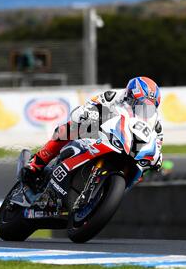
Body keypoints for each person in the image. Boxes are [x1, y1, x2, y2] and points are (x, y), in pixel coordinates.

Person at [16, 76, 164, 212]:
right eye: (138, 103)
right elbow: (89, 106)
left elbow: (157, 143)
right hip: (101, 133)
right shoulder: (113, 97)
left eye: (148, 106)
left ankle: (103, 198)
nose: (142, 108)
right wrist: (88, 114)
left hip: (127, 148)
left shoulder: (155, 125)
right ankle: (35, 164)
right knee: (68, 128)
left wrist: (158, 157)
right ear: (129, 95)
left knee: (142, 169)